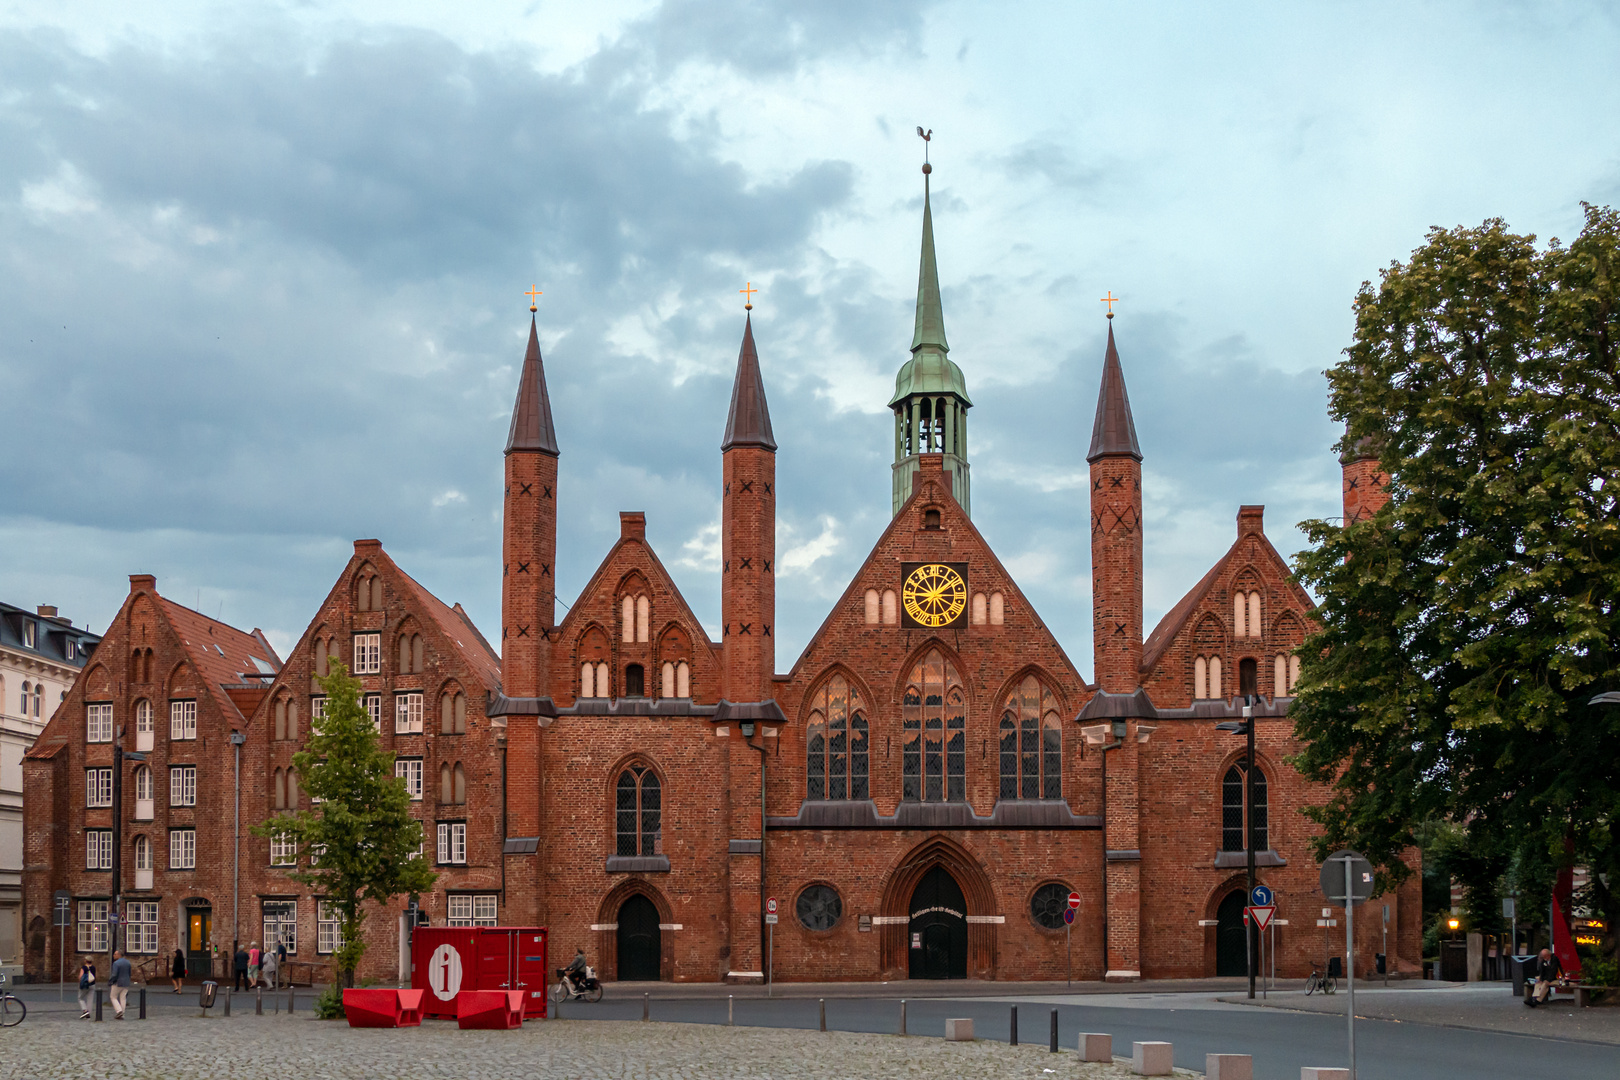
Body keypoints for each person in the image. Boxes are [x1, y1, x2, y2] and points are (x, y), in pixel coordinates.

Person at [109, 949, 132, 1019]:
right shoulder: (128, 962)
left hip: (118, 982)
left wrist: (110, 981)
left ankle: (119, 1011)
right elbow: (129, 973)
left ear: (119, 955)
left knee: (113, 997)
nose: (113, 955)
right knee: (123, 998)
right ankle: (123, 1013)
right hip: (126, 982)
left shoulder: (116, 963)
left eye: (115, 954)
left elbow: (114, 974)